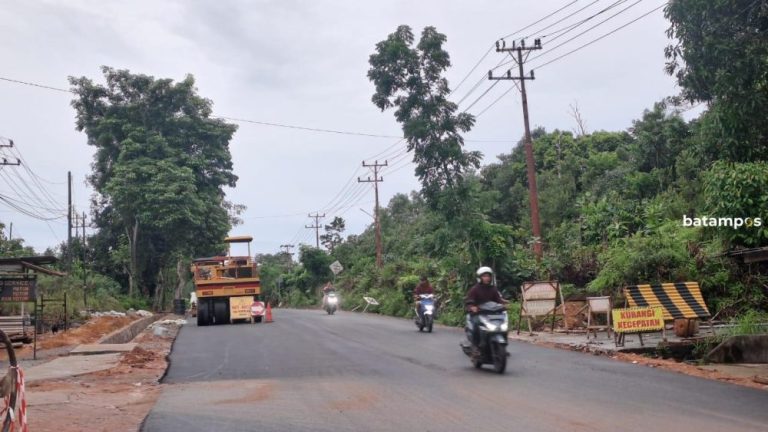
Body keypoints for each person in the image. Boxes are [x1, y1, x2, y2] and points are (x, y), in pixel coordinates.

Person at [465, 266, 506, 353]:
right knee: (476, 325)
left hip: (491, 314)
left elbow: (498, 300)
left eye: (488, 276)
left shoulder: (493, 289)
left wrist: (504, 305)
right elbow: (469, 301)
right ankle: (475, 346)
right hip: (478, 314)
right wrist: (472, 307)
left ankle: (502, 346)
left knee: (502, 325)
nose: (487, 278)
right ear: (480, 278)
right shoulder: (475, 289)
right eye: (484, 276)